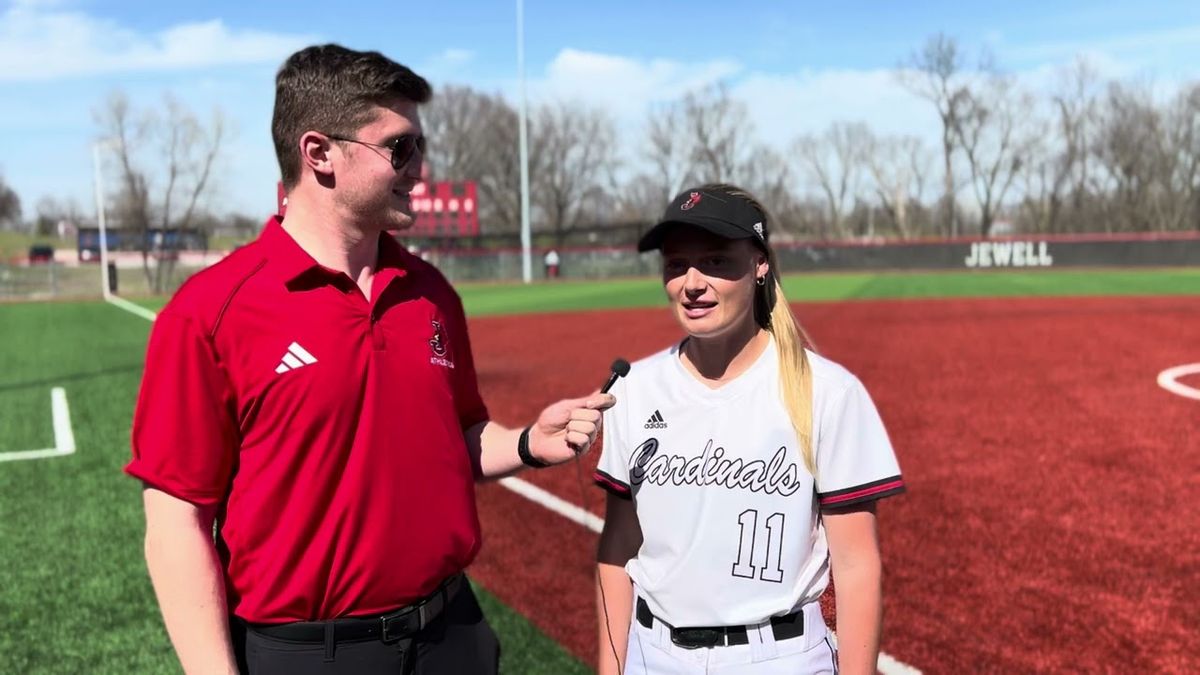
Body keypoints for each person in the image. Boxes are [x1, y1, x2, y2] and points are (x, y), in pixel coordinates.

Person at [125, 44, 614, 675]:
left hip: (451, 635)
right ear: (319, 153)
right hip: (309, 654)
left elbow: (460, 438)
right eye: (399, 148)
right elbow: (176, 520)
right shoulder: (210, 311)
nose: (419, 168)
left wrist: (525, 443)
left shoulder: (431, 294)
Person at [593, 184, 905, 674]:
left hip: (778, 658)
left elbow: (856, 565)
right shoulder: (635, 389)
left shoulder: (827, 391)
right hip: (652, 656)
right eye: (676, 264)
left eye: (716, 261)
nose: (691, 283)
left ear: (759, 263)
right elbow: (617, 548)